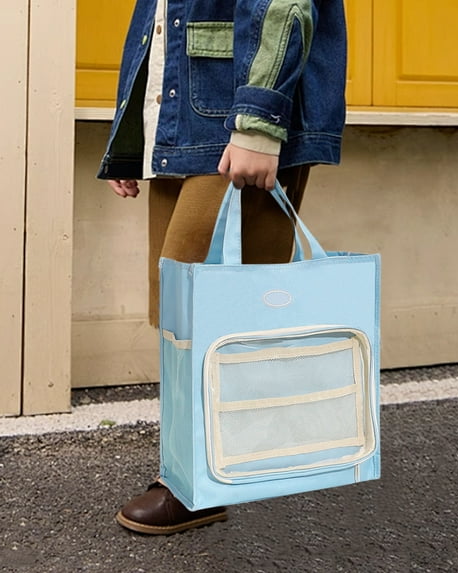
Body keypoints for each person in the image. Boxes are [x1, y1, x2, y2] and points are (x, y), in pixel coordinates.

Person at [98, 0, 347, 535]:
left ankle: (205, 480)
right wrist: (133, 132)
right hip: (184, 124)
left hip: (237, 120)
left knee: (213, 316)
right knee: (178, 313)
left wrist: (259, 123)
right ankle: (193, 470)